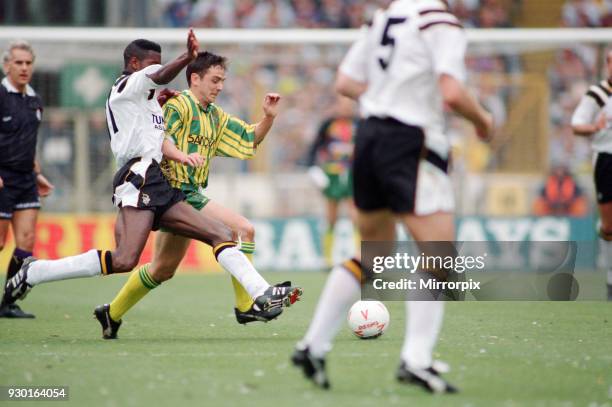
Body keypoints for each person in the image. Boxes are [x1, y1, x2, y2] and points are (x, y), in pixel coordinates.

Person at [4, 31, 302, 336]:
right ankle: (36, 271)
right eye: (149, 67)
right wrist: (187, 57)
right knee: (124, 259)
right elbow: (159, 80)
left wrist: (176, 139)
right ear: (134, 64)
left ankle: (259, 293)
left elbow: (160, 141)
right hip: (138, 177)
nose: (155, 75)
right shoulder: (125, 85)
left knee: (218, 236)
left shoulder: (150, 102)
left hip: (159, 183)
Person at [291, 0, 493, 393]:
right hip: (410, 141)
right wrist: (484, 120)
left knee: (373, 254)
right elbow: (451, 93)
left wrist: (386, 97)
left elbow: (345, 82)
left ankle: (312, 345)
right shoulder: (440, 22)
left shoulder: (386, 18)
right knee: (441, 255)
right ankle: (416, 360)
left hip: (368, 136)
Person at [101, 50, 285, 332]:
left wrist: (268, 118)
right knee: (243, 229)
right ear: (195, 78)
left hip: (181, 197)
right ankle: (246, 306)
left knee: (162, 270)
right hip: (171, 191)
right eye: (214, 80)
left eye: (222, 80)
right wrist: (181, 158)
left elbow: (248, 138)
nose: (220, 86)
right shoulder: (177, 106)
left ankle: (111, 313)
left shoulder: (214, 116)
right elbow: (160, 139)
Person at [0, 40, 54, 318]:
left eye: (28, 63)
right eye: (18, 62)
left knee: (27, 240)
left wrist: (37, 173)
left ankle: (8, 302)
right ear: (6, 65)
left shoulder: (35, 100)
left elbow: (27, 143)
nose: (23, 68)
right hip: (2, 178)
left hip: (24, 178)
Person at [571, 49, 612, 300]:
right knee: (609, 227)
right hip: (606, 159)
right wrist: (593, 127)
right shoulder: (598, 95)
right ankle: (610, 278)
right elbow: (576, 125)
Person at [306, 95, 358, 266]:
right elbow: (315, 146)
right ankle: (327, 259)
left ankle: (360, 255)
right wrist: (312, 167)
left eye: (349, 106)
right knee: (331, 217)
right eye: (342, 105)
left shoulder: (358, 124)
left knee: (355, 216)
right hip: (332, 174)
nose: (346, 109)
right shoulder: (328, 125)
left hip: (352, 175)